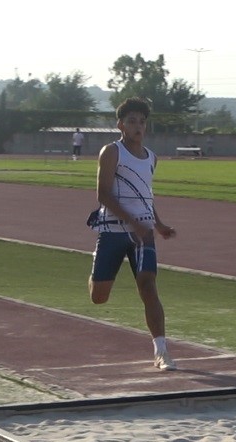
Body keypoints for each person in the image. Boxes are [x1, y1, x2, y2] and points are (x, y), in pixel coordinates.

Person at [87, 98, 178, 370]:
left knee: (148, 285)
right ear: (121, 125)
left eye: (141, 121)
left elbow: (145, 196)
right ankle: (95, 269)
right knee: (99, 297)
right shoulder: (112, 152)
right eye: (132, 121)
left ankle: (162, 351)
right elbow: (102, 194)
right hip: (114, 231)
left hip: (144, 233)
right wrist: (131, 222)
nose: (138, 126)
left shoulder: (152, 158)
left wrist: (157, 224)